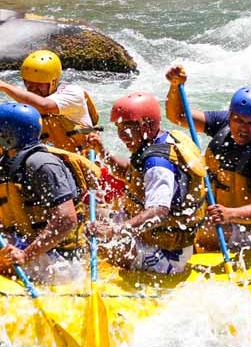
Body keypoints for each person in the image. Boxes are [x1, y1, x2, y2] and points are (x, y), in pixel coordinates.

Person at [0, 103, 100, 283]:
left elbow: (67, 219)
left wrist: (26, 255)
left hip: (58, 262)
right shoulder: (14, 157)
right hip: (35, 247)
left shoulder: (42, 164)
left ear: (8, 136)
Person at [164, 65, 251, 251]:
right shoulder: (222, 123)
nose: (244, 128)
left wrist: (229, 214)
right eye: (238, 120)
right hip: (217, 213)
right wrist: (175, 86)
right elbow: (178, 116)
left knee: (200, 231)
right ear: (230, 116)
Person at [87, 92, 207, 275]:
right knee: (91, 217)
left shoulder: (158, 164)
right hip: (152, 236)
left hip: (167, 254)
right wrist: (101, 151)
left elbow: (158, 212)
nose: (122, 135)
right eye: (119, 127)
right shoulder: (160, 140)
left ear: (148, 125)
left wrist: (114, 231)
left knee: (96, 239)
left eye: (127, 128)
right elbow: (130, 173)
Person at [0, 50, 100, 153]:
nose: (33, 89)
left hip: (82, 158)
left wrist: (2, 85)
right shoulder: (27, 103)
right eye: (29, 83)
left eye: (39, 84)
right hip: (53, 161)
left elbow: (44, 106)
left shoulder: (73, 92)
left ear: (53, 82)